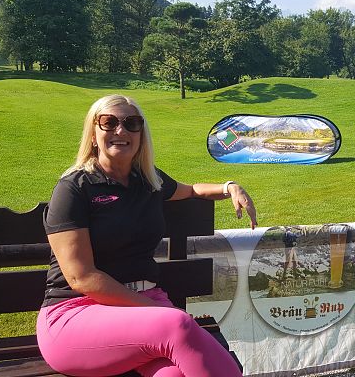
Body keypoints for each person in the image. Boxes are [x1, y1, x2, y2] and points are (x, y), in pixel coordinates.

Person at [37, 94, 256, 377]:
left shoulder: (149, 181)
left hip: (145, 308)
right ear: (93, 134)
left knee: (173, 374)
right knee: (178, 326)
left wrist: (230, 187)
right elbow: (82, 277)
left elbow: (191, 190)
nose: (121, 130)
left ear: (141, 135)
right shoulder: (74, 188)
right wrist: (155, 310)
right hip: (77, 313)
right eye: (109, 122)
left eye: (132, 123)